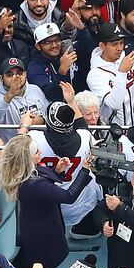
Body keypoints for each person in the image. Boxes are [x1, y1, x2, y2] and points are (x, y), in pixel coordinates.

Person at [0, 133, 94, 268]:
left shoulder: (22, 176)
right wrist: (85, 170)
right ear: (27, 159)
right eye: (36, 152)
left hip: (31, 231)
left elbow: (43, 186)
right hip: (42, 240)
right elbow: (68, 196)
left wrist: (57, 171)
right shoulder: (34, 185)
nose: (40, 152)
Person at [28, 94, 104, 231]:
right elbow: (82, 126)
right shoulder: (85, 136)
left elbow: (17, 146)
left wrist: (24, 125)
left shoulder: (34, 138)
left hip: (47, 203)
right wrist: (71, 101)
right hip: (79, 203)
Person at [0, 57, 48, 141]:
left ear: (25, 74)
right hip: (12, 149)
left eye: (19, 73)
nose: (15, 78)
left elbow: (48, 114)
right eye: (10, 75)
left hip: (39, 147)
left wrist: (40, 121)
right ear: (1, 78)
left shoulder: (35, 89)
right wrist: (10, 94)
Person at [26, 23, 75, 102]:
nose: (54, 45)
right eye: (47, 42)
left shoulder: (67, 56)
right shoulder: (34, 68)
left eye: (57, 40)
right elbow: (52, 95)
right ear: (38, 46)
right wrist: (62, 71)